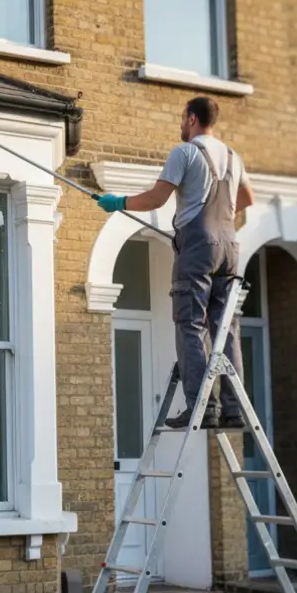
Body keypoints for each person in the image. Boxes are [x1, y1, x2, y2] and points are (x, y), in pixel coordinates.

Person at [96, 96, 255, 429]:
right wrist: (220, 218)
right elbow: (247, 199)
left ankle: (201, 407)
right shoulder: (232, 156)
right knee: (226, 327)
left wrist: (118, 202)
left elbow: (157, 198)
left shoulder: (184, 152)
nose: (180, 124)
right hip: (230, 247)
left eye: (183, 118)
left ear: (193, 119)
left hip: (198, 248)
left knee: (190, 324)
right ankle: (233, 409)